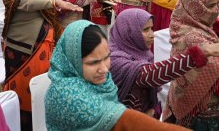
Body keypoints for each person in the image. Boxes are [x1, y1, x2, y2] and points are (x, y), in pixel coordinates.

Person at [45, 20, 189, 131]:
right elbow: (126, 121)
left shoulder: (99, 79)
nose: (104, 69)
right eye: (93, 63)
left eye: (106, 57)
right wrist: (193, 57)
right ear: (73, 62)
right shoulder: (67, 94)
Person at [2, 0, 81, 130]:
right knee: (24, 92)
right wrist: (54, 1)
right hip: (22, 50)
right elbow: (28, 3)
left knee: (41, 89)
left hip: (44, 48)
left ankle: (42, 122)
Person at [110, 8, 219, 120]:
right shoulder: (114, 59)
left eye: (152, 28)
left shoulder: (142, 53)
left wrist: (153, 111)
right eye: (145, 30)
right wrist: (201, 53)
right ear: (128, 31)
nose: (152, 35)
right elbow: (149, 75)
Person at [163, 0, 219, 129]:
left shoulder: (201, 25)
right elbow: (214, 68)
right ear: (196, 7)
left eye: (218, 4)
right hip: (201, 116)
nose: (216, 10)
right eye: (212, 6)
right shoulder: (190, 37)